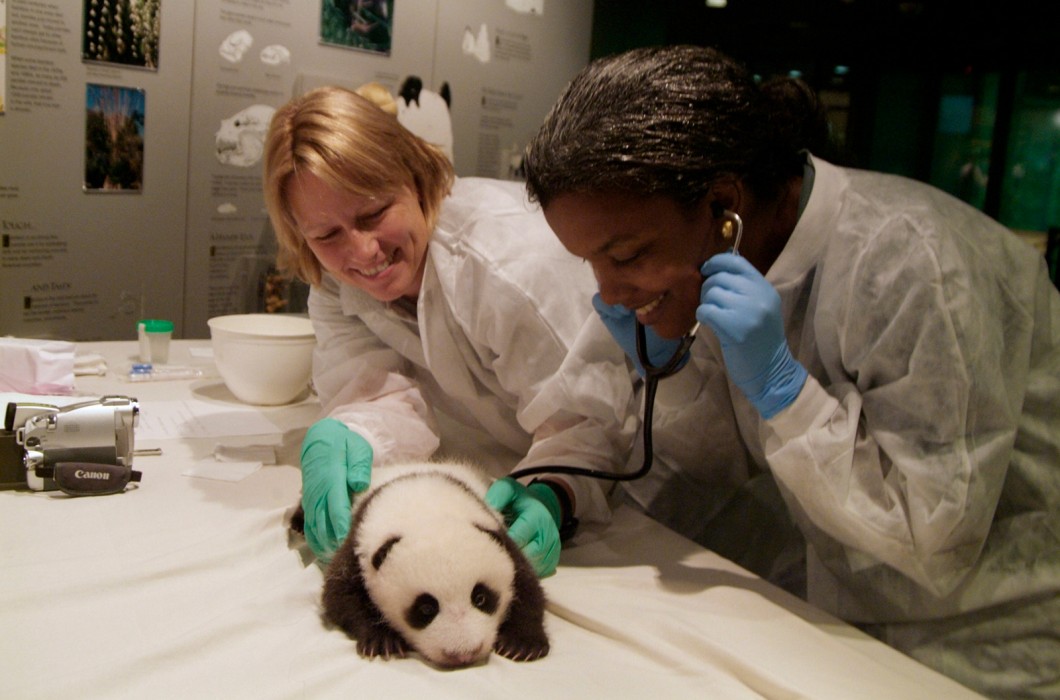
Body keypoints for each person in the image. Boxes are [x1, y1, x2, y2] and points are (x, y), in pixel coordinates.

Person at [523, 44, 1060, 699]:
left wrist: (785, 391)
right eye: (591, 265)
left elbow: (934, 539)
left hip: (982, 643)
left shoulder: (915, 264)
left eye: (627, 254)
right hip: (839, 618)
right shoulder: (728, 261)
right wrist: (676, 375)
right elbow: (712, 470)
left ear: (725, 205)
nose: (609, 292)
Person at [263, 85, 637, 575]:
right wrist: (350, 434)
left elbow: (591, 425)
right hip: (489, 473)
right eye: (327, 235)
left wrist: (552, 493)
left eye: (373, 214)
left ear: (415, 178)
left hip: (630, 498)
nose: (362, 253)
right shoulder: (335, 282)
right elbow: (378, 395)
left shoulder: (508, 263)